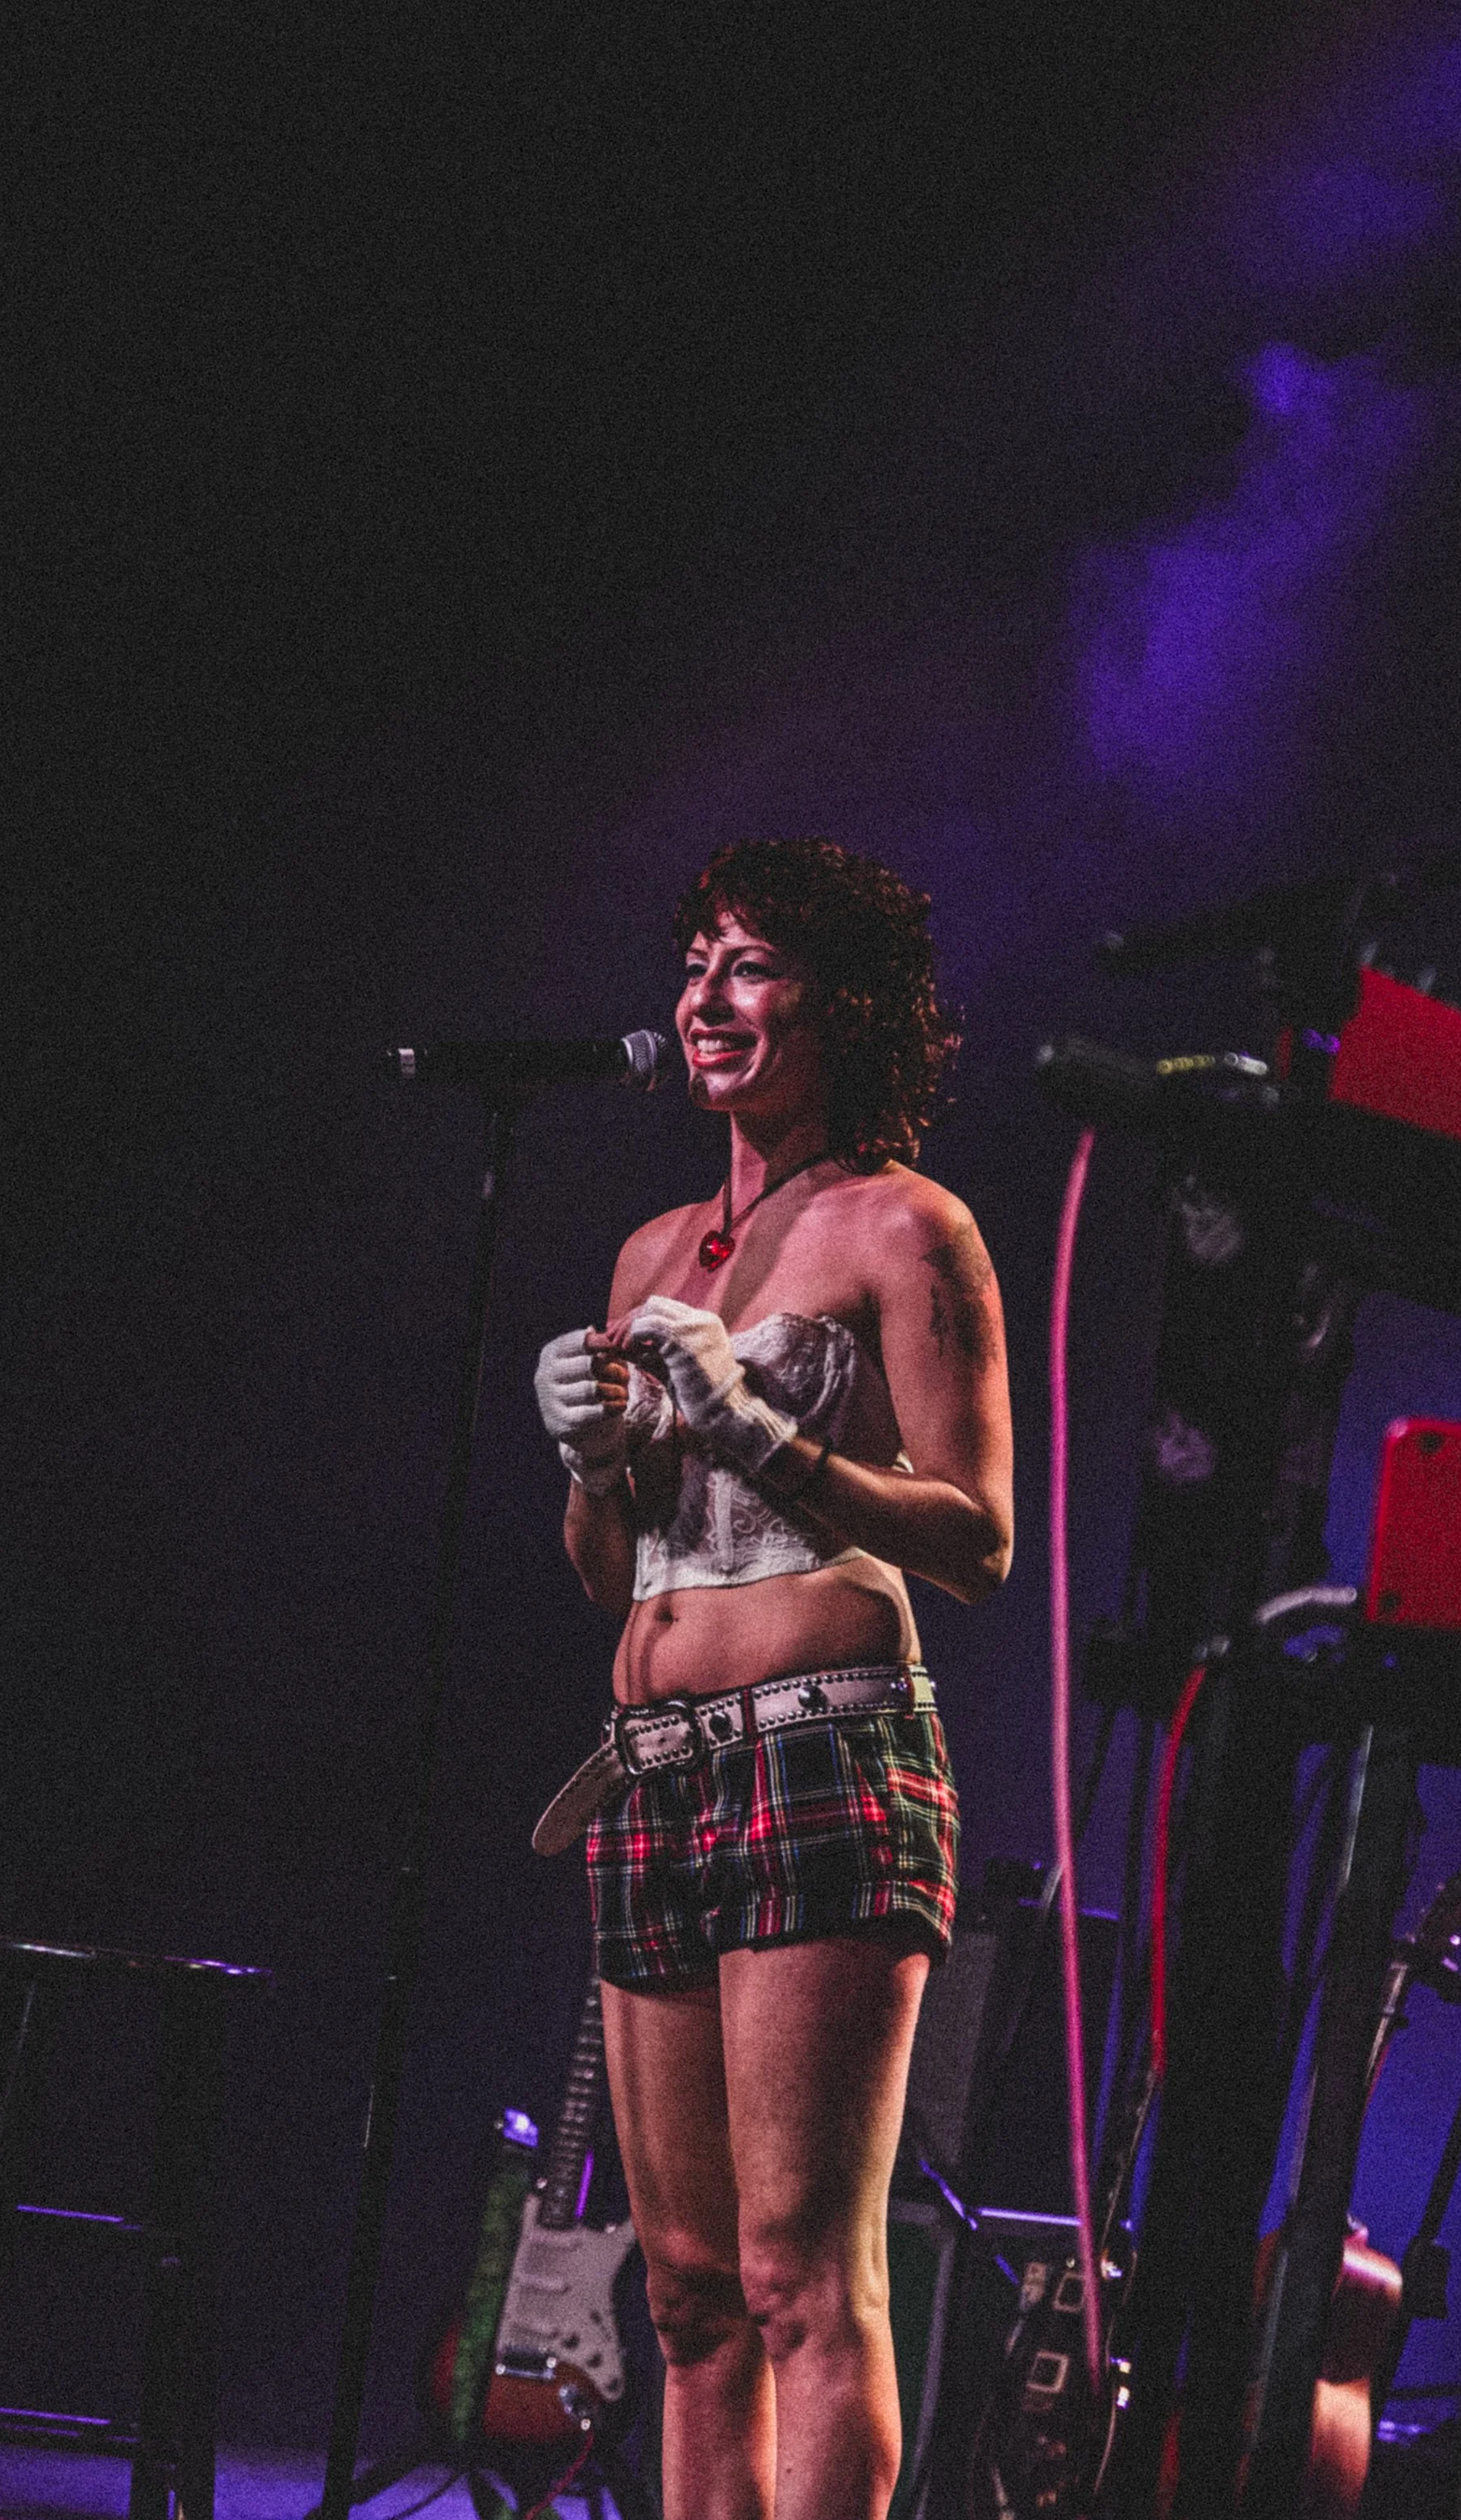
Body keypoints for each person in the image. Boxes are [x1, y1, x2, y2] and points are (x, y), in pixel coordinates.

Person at [531, 838, 1014, 2520]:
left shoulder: (907, 1224)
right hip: (651, 1758)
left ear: (847, 1003)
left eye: (749, 964)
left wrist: (761, 1427)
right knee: (680, 2293)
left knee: (798, 2268)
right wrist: (594, 1459)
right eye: (693, 961)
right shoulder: (649, 1248)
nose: (705, 997)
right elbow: (616, 1569)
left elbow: (977, 1535)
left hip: (822, 1756)